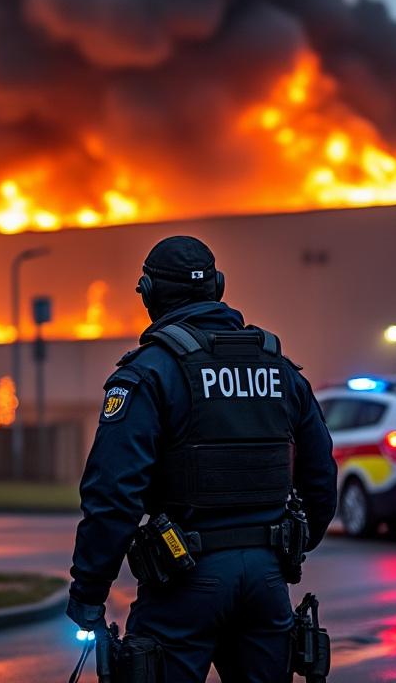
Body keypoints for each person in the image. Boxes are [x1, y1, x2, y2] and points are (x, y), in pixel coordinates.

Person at [66, 235, 337, 682]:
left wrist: (89, 592)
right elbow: (321, 475)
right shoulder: (280, 369)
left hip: (183, 583)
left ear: (149, 294)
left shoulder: (149, 373)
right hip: (268, 581)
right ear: (219, 286)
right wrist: (289, 545)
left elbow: (113, 493)